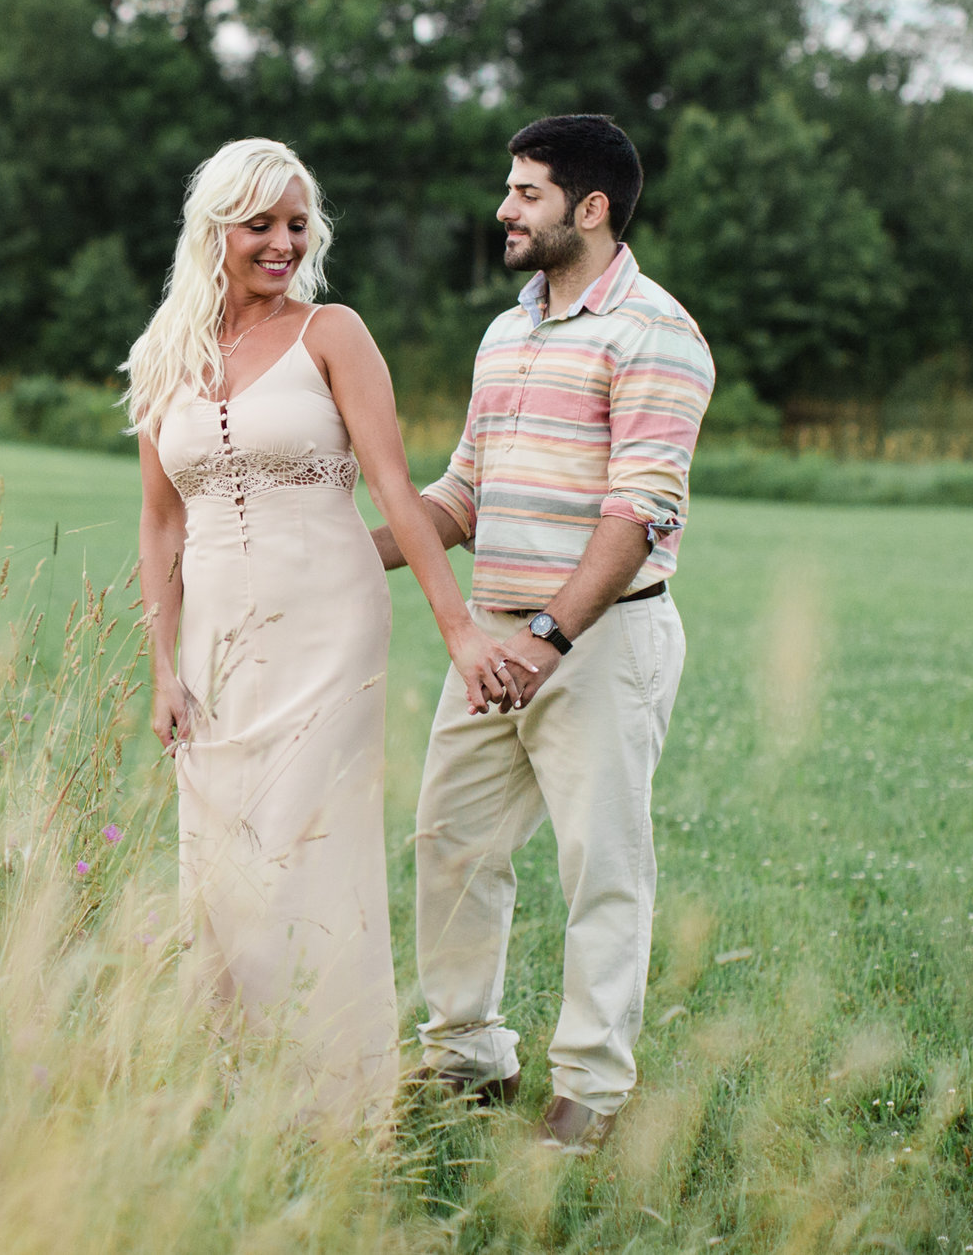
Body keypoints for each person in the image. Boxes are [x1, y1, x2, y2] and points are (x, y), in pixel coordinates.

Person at [130, 138, 532, 1124]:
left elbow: (397, 488)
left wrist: (460, 629)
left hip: (329, 620)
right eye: (259, 222)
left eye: (296, 222)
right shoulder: (164, 353)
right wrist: (161, 670)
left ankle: (332, 1093)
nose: (280, 241)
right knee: (220, 842)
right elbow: (160, 521)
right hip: (215, 639)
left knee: (307, 838)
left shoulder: (332, 332)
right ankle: (229, 1072)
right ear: (213, 227)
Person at [373, 114, 713, 1156]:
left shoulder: (655, 329)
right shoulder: (505, 330)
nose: (503, 210)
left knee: (601, 864)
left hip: (599, 645)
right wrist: (346, 553)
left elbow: (640, 511)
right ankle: (468, 1051)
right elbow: (464, 492)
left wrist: (551, 636)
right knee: (451, 844)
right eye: (508, 190)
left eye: (524, 192)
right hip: (493, 641)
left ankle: (592, 1090)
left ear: (591, 207)